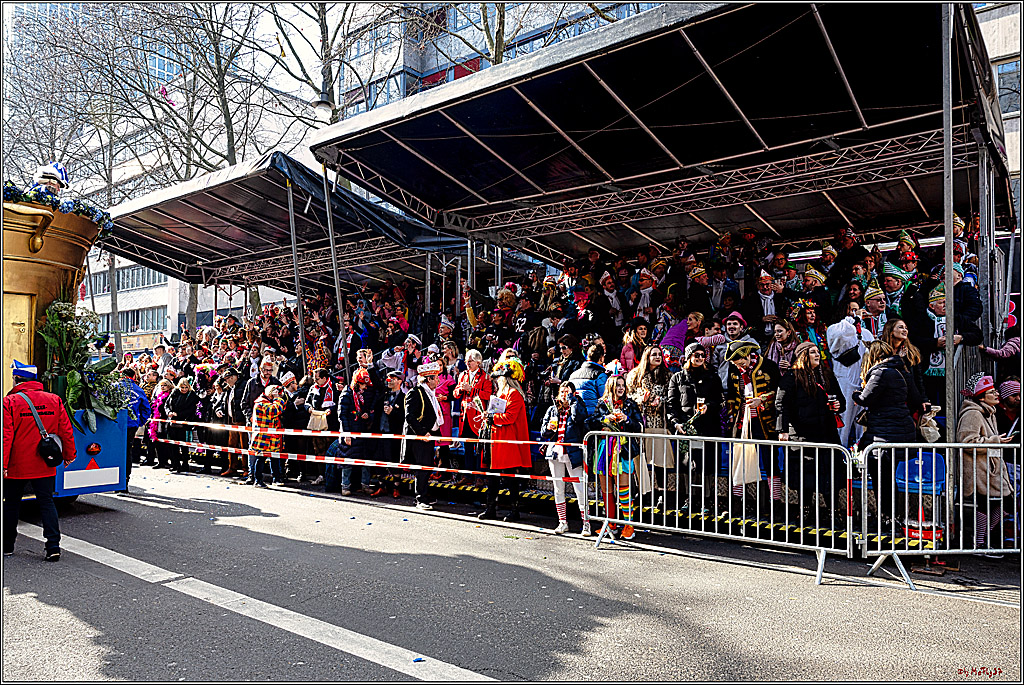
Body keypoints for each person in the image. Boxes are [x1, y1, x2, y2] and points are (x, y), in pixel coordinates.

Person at [3, 360, 76, 561]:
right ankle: (53, 547)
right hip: (45, 462)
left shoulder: (9, 402)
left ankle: (7, 546)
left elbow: (5, 436)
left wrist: (3, 464)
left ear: (17, 379)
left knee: (11, 505)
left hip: (18, 464)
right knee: (47, 503)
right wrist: (69, 455)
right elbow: (65, 431)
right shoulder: (54, 400)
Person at [776, 342, 845, 533]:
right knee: (805, 477)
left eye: (818, 351)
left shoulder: (827, 375)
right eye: (812, 352)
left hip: (827, 433)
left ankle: (833, 512)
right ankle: (804, 511)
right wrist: (782, 430)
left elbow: (841, 400)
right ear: (802, 356)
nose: (817, 355)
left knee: (831, 476)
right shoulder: (791, 377)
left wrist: (839, 405)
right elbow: (781, 404)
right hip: (801, 435)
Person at [853, 341, 916, 528]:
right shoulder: (900, 370)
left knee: (882, 480)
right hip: (899, 430)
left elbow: (865, 398)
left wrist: (855, 394)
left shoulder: (880, 372)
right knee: (889, 479)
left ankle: (886, 518)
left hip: (884, 433)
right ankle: (891, 517)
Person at [956, 373, 1015, 555]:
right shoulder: (973, 413)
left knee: (1005, 503)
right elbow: (966, 442)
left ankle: (982, 541)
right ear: (981, 396)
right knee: (987, 505)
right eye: (991, 391)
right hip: (979, 471)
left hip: (989, 469)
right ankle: (979, 544)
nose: (997, 394)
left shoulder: (989, 412)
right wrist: (995, 441)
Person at [666, 343, 724, 514]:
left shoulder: (712, 376)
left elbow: (720, 401)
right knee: (686, 465)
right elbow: (671, 404)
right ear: (688, 357)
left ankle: (706, 500)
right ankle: (689, 499)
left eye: (702, 355)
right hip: (686, 428)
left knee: (706, 465)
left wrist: (708, 406)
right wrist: (675, 422)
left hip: (707, 427)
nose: (699, 358)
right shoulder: (677, 378)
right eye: (696, 355)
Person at [590, 374, 644, 540]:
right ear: (610, 387)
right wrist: (605, 418)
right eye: (617, 385)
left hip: (624, 449)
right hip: (604, 449)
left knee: (624, 488)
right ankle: (610, 524)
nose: (621, 388)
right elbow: (590, 422)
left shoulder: (630, 404)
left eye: (622, 385)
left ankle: (629, 525)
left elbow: (639, 425)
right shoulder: (602, 404)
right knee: (607, 489)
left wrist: (627, 419)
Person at [479, 357, 532, 522]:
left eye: (498, 378)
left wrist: (492, 418)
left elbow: (509, 417)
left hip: (508, 440)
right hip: (498, 440)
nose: (495, 381)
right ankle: (491, 508)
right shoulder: (502, 393)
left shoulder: (514, 394)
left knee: (510, 479)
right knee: (493, 478)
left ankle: (513, 510)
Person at [539, 382, 592, 536]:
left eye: (567, 391)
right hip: (555, 451)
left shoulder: (578, 405)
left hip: (573, 451)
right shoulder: (552, 409)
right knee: (558, 488)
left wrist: (573, 400)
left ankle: (586, 523)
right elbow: (544, 432)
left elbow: (577, 419)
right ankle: (563, 522)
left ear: (574, 393)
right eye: (562, 391)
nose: (564, 394)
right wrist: (548, 428)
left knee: (580, 489)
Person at [826, 299, 876, 447]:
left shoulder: (866, 333)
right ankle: (840, 453)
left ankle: (861, 454)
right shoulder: (835, 328)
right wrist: (853, 320)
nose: (855, 313)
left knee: (862, 421)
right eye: (851, 309)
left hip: (862, 382)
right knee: (844, 422)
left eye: (857, 309)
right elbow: (841, 335)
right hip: (844, 381)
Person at [402, 358, 443, 510]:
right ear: (428, 379)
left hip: (429, 436)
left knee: (427, 468)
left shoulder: (431, 393)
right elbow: (409, 416)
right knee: (422, 469)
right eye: (436, 377)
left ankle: (424, 495)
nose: (438, 380)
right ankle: (420, 498)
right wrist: (422, 433)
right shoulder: (415, 392)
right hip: (419, 439)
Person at [452, 349, 491, 486]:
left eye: (470, 361)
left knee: (480, 448)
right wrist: (461, 390)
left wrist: (471, 390)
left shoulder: (485, 377)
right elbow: (455, 394)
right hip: (465, 417)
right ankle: (467, 475)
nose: (467, 363)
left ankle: (480, 476)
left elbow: (488, 395)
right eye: (466, 361)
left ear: (478, 362)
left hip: (478, 417)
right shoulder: (462, 375)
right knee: (467, 446)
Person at [248, 384, 287, 488]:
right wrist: (277, 399)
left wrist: (278, 398)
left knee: (275, 457)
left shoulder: (269, 402)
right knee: (260, 458)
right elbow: (274, 411)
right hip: (263, 436)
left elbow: (283, 407)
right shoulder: (261, 402)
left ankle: (277, 479)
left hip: (272, 435)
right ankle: (258, 480)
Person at [165, 377, 201, 473]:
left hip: (184, 423)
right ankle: (175, 464)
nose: (184, 389)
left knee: (184, 445)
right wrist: (169, 412)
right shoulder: (174, 393)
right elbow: (167, 404)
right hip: (173, 422)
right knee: (173, 445)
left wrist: (179, 414)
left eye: (185, 387)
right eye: (182, 387)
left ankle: (185, 464)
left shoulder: (192, 395)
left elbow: (191, 410)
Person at [567, 343, 609, 415]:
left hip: (575, 414)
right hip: (593, 416)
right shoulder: (600, 375)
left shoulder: (573, 375)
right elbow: (605, 397)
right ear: (601, 358)